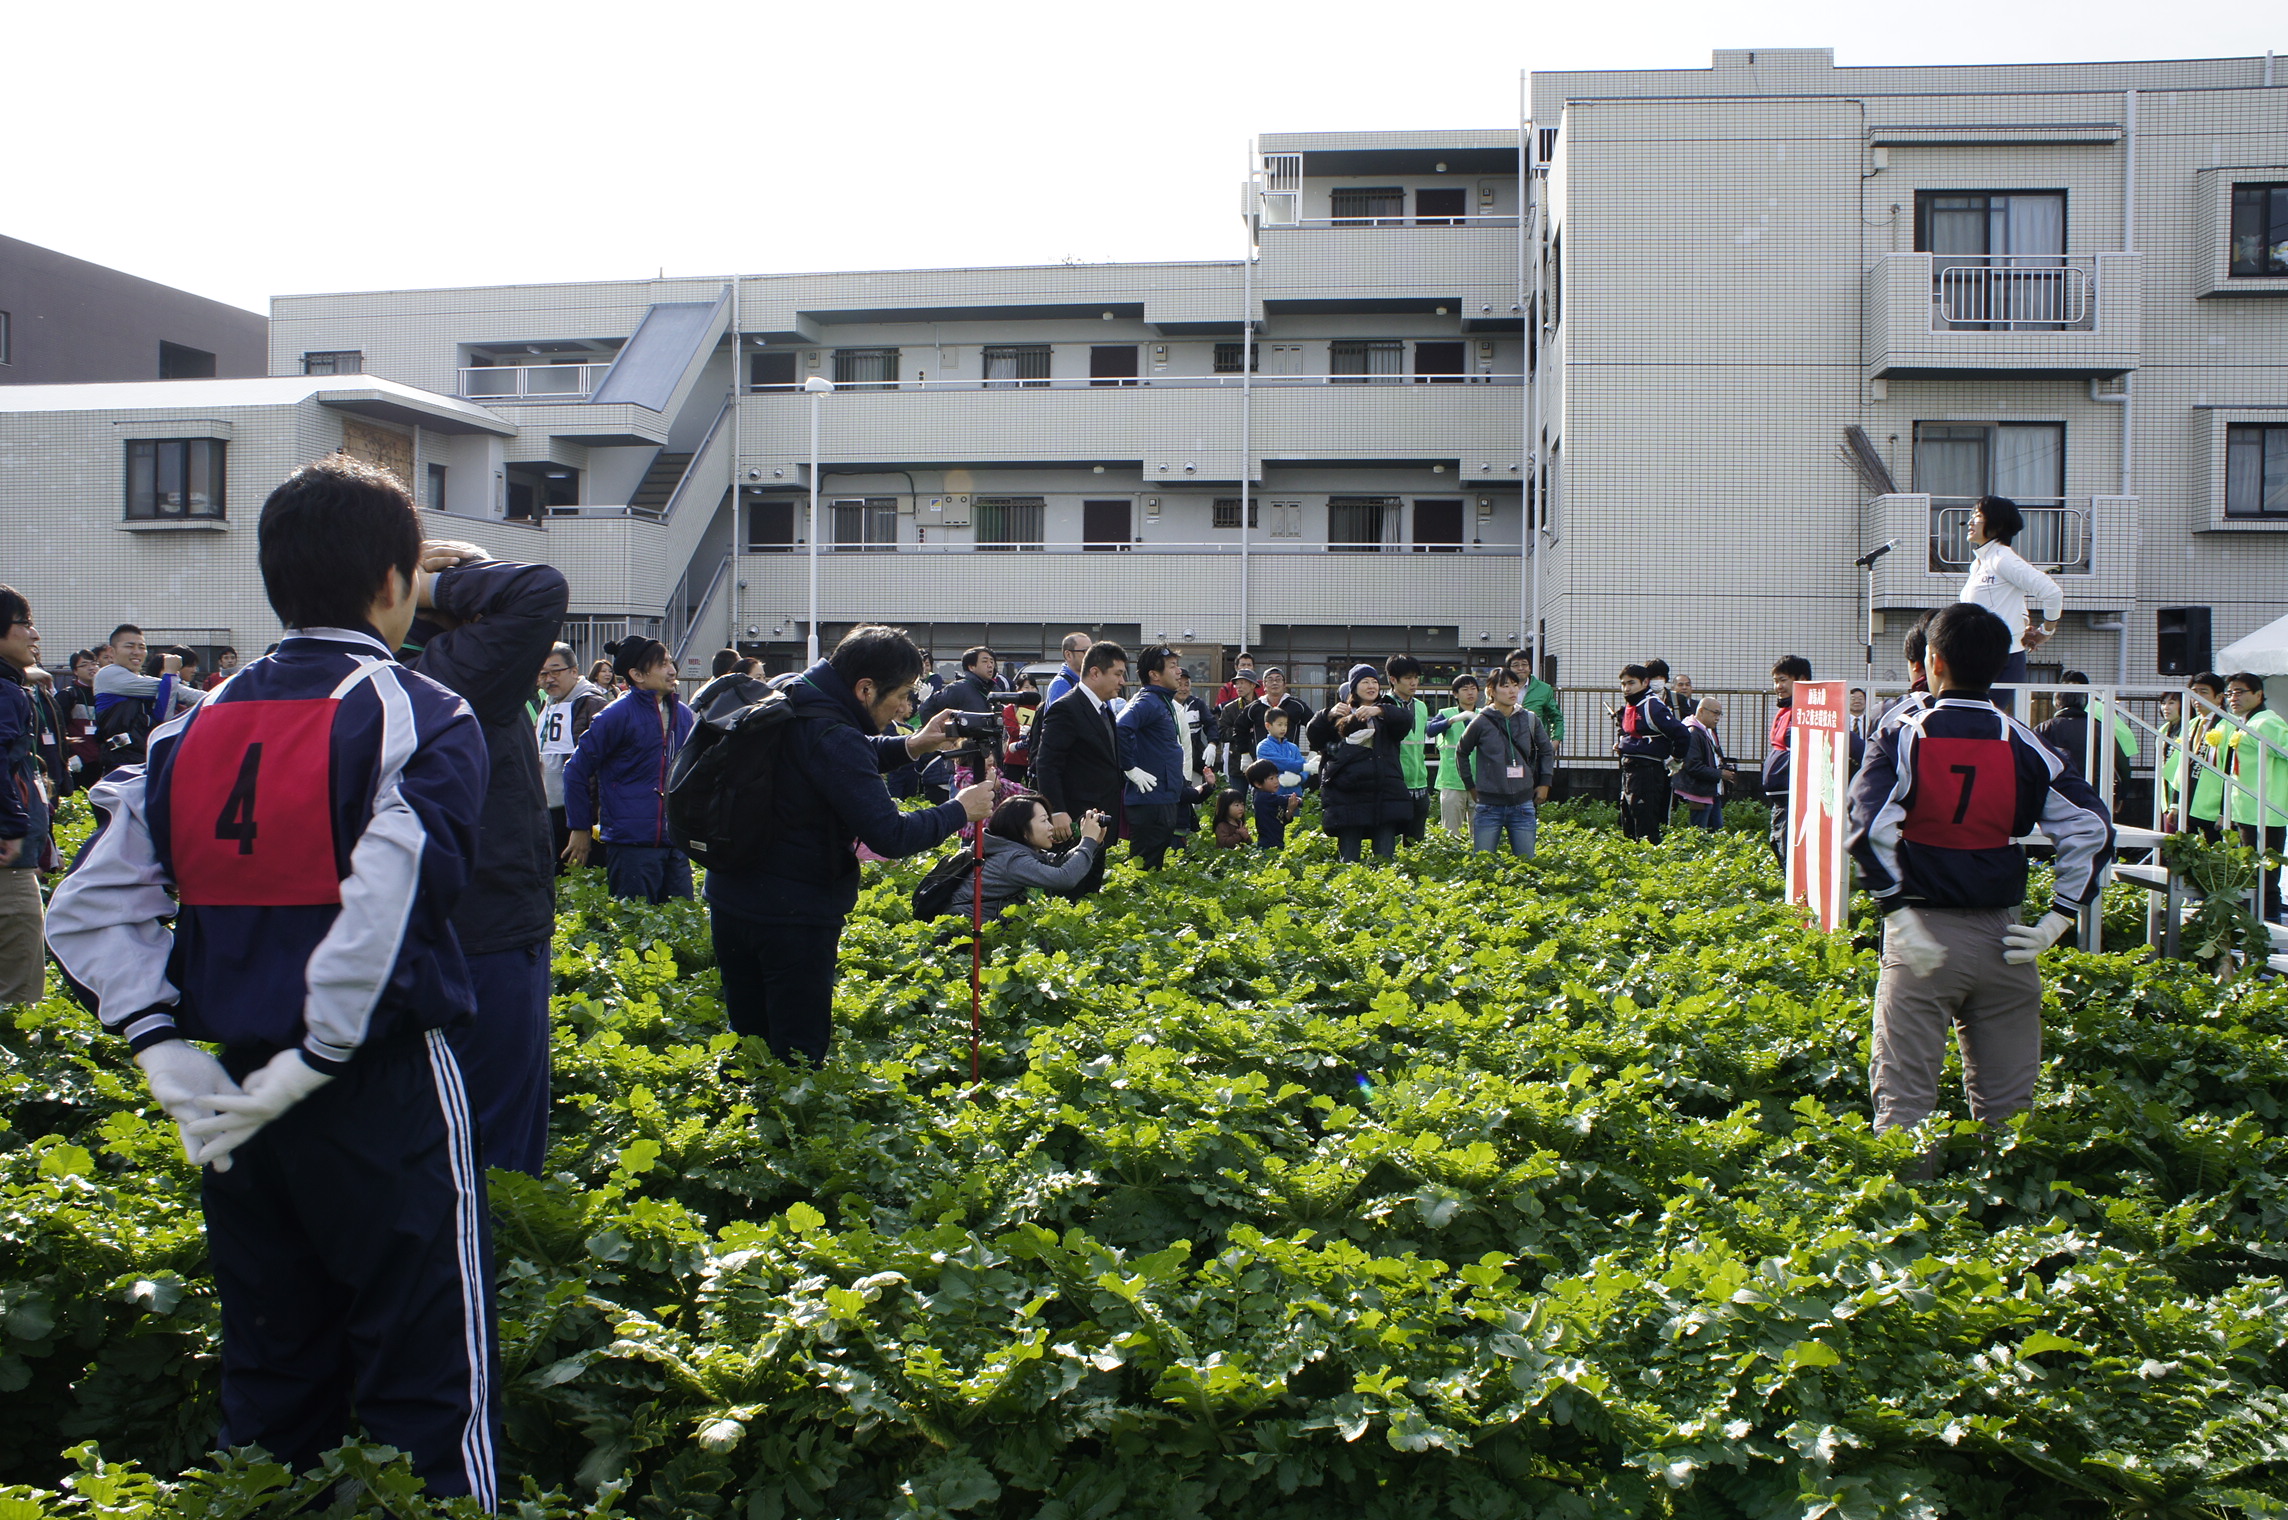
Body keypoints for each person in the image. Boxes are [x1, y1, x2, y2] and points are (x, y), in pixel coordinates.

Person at [45, 454, 500, 1502]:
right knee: (430, 1371)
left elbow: (87, 909)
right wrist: (327, 1042)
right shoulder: (415, 709)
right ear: (396, 582)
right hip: (378, 1077)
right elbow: (394, 895)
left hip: (233, 1083)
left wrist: (158, 1033)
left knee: (270, 1363)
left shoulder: (186, 724)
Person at [1846, 602, 2114, 1164]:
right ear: (1999, 667)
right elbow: (2091, 827)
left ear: (1932, 661)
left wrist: (1894, 909)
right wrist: (2059, 917)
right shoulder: (2024, 740)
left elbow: (1867, 826)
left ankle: (1910, 1229)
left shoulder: (1901, 728)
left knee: (1904, 1105)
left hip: (1922, 934)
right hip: (2007, 939)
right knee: (2010, 1111)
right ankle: (2010, 1225)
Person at [701, 625, 993, 1066]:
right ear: (864, 688)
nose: (905, 706)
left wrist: (914, 744)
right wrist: (959, 809)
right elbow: (889, 834)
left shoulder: (793, 693)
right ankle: (787, 1129)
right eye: (902, 694)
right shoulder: (832, 732)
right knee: (797, 1050)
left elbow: (843, 755)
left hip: (731, 895)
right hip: (791, 914)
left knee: (748, 1039)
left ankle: (745, 1122)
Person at [407, 543, 570, 1178]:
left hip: (385, 932)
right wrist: (423, 584)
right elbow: (539, 585)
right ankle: (489, 1267)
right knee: (490, 1147)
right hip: (487, 924)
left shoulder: (368, 671)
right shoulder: (463, 670)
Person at [561, 637, 694, 904]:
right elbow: (575, 769)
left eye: (670, 662)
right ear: (637, 675)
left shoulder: (684, 714)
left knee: (681, 923)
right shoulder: (615, 715)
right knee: (634, 925)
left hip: (675, 843)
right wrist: (580, 827)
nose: (672, 671)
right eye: (662, 664)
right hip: (631, 843)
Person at [1030, 640, 1129, 894]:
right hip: (1073, 822)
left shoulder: (1103, 709)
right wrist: (1058, 810)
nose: (1122, 681)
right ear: (1095, 672)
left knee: (1090, 889)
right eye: (1117, 674)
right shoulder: (1067, 707)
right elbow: (1047, 763)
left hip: (1098, 820)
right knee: (1070, 891)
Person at [1955, 495, 2062, 714]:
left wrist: (2047, 630)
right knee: (1970, 723)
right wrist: (2024, 625)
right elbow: (2012, 600)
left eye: (1978, 516)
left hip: (2001, 660)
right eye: (1972, 516)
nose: (1970, 522)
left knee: (1979, 723)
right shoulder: (1979, 563)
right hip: (1980, 658)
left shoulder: (2002, 558)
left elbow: (2052, 592)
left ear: (1998, 524)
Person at [0, 587, 53, 1004]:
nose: (35, 635)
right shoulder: (5, 694)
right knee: (17, 995)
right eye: (25, 624)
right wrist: (14, 826)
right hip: (8, 856)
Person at [1309, 664, 1415, 863]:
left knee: (1384, 858)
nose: (1371, 686)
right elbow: (1314, 737)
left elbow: (1405, 720)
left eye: (1374, 682)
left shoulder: (1386, 710)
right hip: (1348, 794)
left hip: (1383, 793)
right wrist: (1327, 715)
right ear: (1354, 688)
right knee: (1349, 858)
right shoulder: (1341, 712)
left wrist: (1379, 711)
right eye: (1365, 682)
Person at [1457, 666, 1555, 857]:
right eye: (1505, 686)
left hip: (1523, 804)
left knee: (1527, 865)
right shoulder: (1481, 721)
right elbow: (1461, 752)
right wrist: (1470, 785)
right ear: (1492, 691)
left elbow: (1546, 750)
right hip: (1488, 806)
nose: (1512, 691)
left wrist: (1545, 783)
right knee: (1483, 865)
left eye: (1514, 685)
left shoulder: (1529, 719)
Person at [2218, 671, 2288, 924]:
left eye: (2239, 692)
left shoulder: (2266, 722)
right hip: (2248, 808)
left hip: (2265, 810)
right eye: (2229, 693)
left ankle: (2266, 927)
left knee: (2264, 875)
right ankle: (2253, 924)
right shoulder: (2247, 721)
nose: (2233, 698)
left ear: (2258, 694)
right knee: (2251, 872)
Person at [536, 642, 612, 871]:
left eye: (555, 671)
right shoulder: (548, 705)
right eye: (542, 673)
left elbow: (600, 770)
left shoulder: (594, 704)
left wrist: (587, 824)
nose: (549, 678)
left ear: (574, 671)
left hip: (580, 815)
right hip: (551, 809)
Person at [1116, 645, 1190, 869]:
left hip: (1162, 796)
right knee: (1144, 867)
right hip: (1150, 799)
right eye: (1173, 667)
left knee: (1154, 863)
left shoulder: (1161, 701)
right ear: (1154, 674)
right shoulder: (1148, 701)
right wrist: (1130, 767)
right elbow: (1121, 727)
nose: (1179, 672)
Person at [977, 794, 1104, 922]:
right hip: (978, 937)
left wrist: (1092, 843)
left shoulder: (1010, 850)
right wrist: (1088, 841)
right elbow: (1064, 878)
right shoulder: (1011, 859)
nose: (1051, 827)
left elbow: (1058, 863)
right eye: (1044, 820)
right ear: (1023, 830)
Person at [92, 623, 197, 777]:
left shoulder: (141, 679)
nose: (137, 652)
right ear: (111, 651)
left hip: (144, 759)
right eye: (130, 646)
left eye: (142, 647)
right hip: (120, 764)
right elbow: (177, 691)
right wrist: (170, 674)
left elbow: (163, 717)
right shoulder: (108, 674)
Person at [1612, 662, 1689, 843]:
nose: (1626, 688)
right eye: (1623, 684)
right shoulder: (1633, 704)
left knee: (1645, 821)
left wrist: (1676, 759)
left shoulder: (1652, 706)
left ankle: (1649, 862)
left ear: (1645, 682)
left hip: (1647, 771)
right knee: (1628, 819)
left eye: (1631, 683)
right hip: (1631, 769)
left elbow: (1682, 734)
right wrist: (1623, 745)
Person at [2032, 671, 2136, 801]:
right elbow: (2122, 766)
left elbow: (2029, 763)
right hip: (2091, 796)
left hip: (2053, 796)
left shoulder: (2045, 729)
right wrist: (2120, 796)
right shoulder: (2099, 728)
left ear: (2057, 700)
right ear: (2086, 698)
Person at [2162, 673, 2229, 840]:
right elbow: (2180, 767)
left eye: (2203, 692)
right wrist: (2175, 804)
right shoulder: (2191, 724)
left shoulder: (2229, 724)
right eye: (2194, 692)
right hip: (2188, 803)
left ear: (2219, 697)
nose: (2197, 697)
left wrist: (2224, 811)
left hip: (2212, 807)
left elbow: (2230, 770)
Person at [1384, 655, 1435, 843]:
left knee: (1415, 841)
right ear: (1393, 680)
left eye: (1416, 677)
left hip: (1420, 782)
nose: (1413, 683)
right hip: (1396, 784)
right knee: (1387, 839)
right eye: (1408, 678)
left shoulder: (1421, 707)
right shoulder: (1385, 705)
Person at [1427, 671, 1483, 836]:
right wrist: (1453, 720)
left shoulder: (1484, 715)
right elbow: (1430, 730)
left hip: (1479, 780)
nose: (1470, 692)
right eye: (1465, 689)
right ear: (1455, 694)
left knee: (1480, 833)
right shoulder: (1446, 713)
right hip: (1452, 781)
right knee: (1451, 833)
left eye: (1473, 688)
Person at [1674, 696, 1729, 832]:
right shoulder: (1693, 732)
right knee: (1700, 834)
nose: (1718, 718)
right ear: (1701, 711)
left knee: (1714, 833)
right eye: (1715, 713)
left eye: (1720, 714)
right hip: (1697, 792)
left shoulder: (1705, 730)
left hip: (1707, 791)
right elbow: (1693, 766)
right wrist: (1720, 774)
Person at [922, 646, 1000, 724]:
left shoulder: (995, 690)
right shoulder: (957, 688)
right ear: (971, 667)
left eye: (992, 662)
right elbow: (927, 708)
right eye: (985, 661)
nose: (990, 665)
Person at [1504, 647, 1564, 748]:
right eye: (1516, 665)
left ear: (1530, 667)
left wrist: (1555, 741)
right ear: (1508, 669)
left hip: (1536, 746)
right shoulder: (1501, 688)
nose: (1521, 668)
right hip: (1506, 745)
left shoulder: (1544, 689)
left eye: (1524, 664)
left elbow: (1556, 717)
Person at [1215, 669, 1261, 785]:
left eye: (1242, 683)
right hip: (1237, 763)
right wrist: (1240, 730)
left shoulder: (1262, 706)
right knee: (1236, 799)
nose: (1238, 687)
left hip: (1259, 761)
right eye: (1237, 683)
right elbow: (1221, 733)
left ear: (1252, 685)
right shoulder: (1230, 708)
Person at [1244, 759, 1294, 850]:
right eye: (1271, 778)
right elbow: (1280, 800)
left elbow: (1281, 820)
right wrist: (1296, 799)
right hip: (1269, 844)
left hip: (1277, 841)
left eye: (1276, 777)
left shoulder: (1267, 796)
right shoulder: (1262, 797)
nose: (1276, 781)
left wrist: (1290, 811)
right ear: (1258, 784)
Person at [1043, 632, 1092, 706]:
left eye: (1092, 651)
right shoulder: (1060, 684)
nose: (1091, 656)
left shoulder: (1093, 681)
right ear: (1068, 655)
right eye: (1085, 651)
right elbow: (1058, 716)